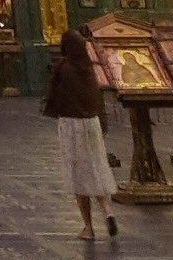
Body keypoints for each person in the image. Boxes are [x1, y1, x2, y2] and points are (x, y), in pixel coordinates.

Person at [43, 30, 119, 241]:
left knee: (78, 175)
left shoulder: (64, 68)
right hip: (92, 123)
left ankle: (88, 227)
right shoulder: (89, 69)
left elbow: (55, 95)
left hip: (71, 124)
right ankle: (108, 212)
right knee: (97, 168)